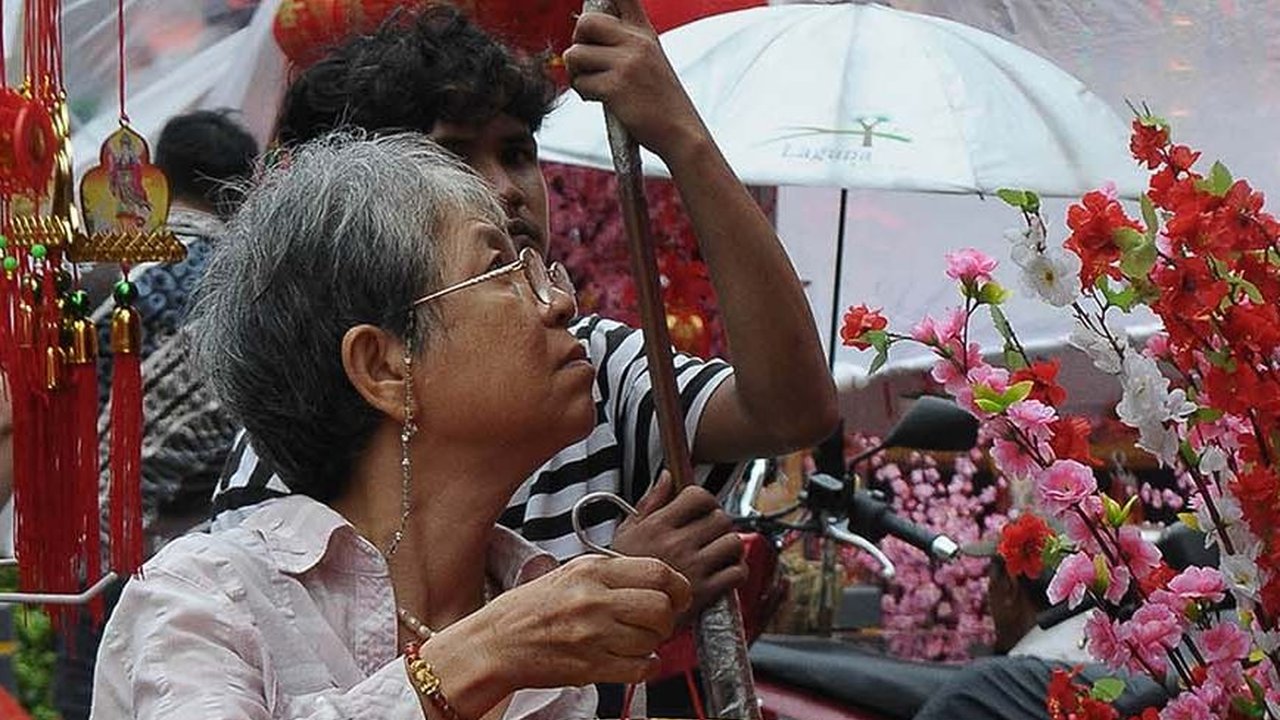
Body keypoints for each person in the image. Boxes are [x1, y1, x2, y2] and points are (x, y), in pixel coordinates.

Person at [214, 0, 836, 630]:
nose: (507, 189)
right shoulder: (305, 429)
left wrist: (682, 136)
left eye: (517, 153)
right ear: (379, 367)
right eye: (455, 158)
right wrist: (591, 600)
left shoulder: (586, 362)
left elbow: (792, 410)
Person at [91, 132, 691, 719]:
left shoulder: (539, 601)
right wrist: (475, 660)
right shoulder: (208, 598)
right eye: (501, 270)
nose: (559, 303)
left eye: (538, 271)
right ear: (383, 367)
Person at [58, 109, 258, 720]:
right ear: (243, 187)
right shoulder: (260, 283)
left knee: (92, 692)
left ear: (159, 181)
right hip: (212, 548)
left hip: (89, 539)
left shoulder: (101, 276)